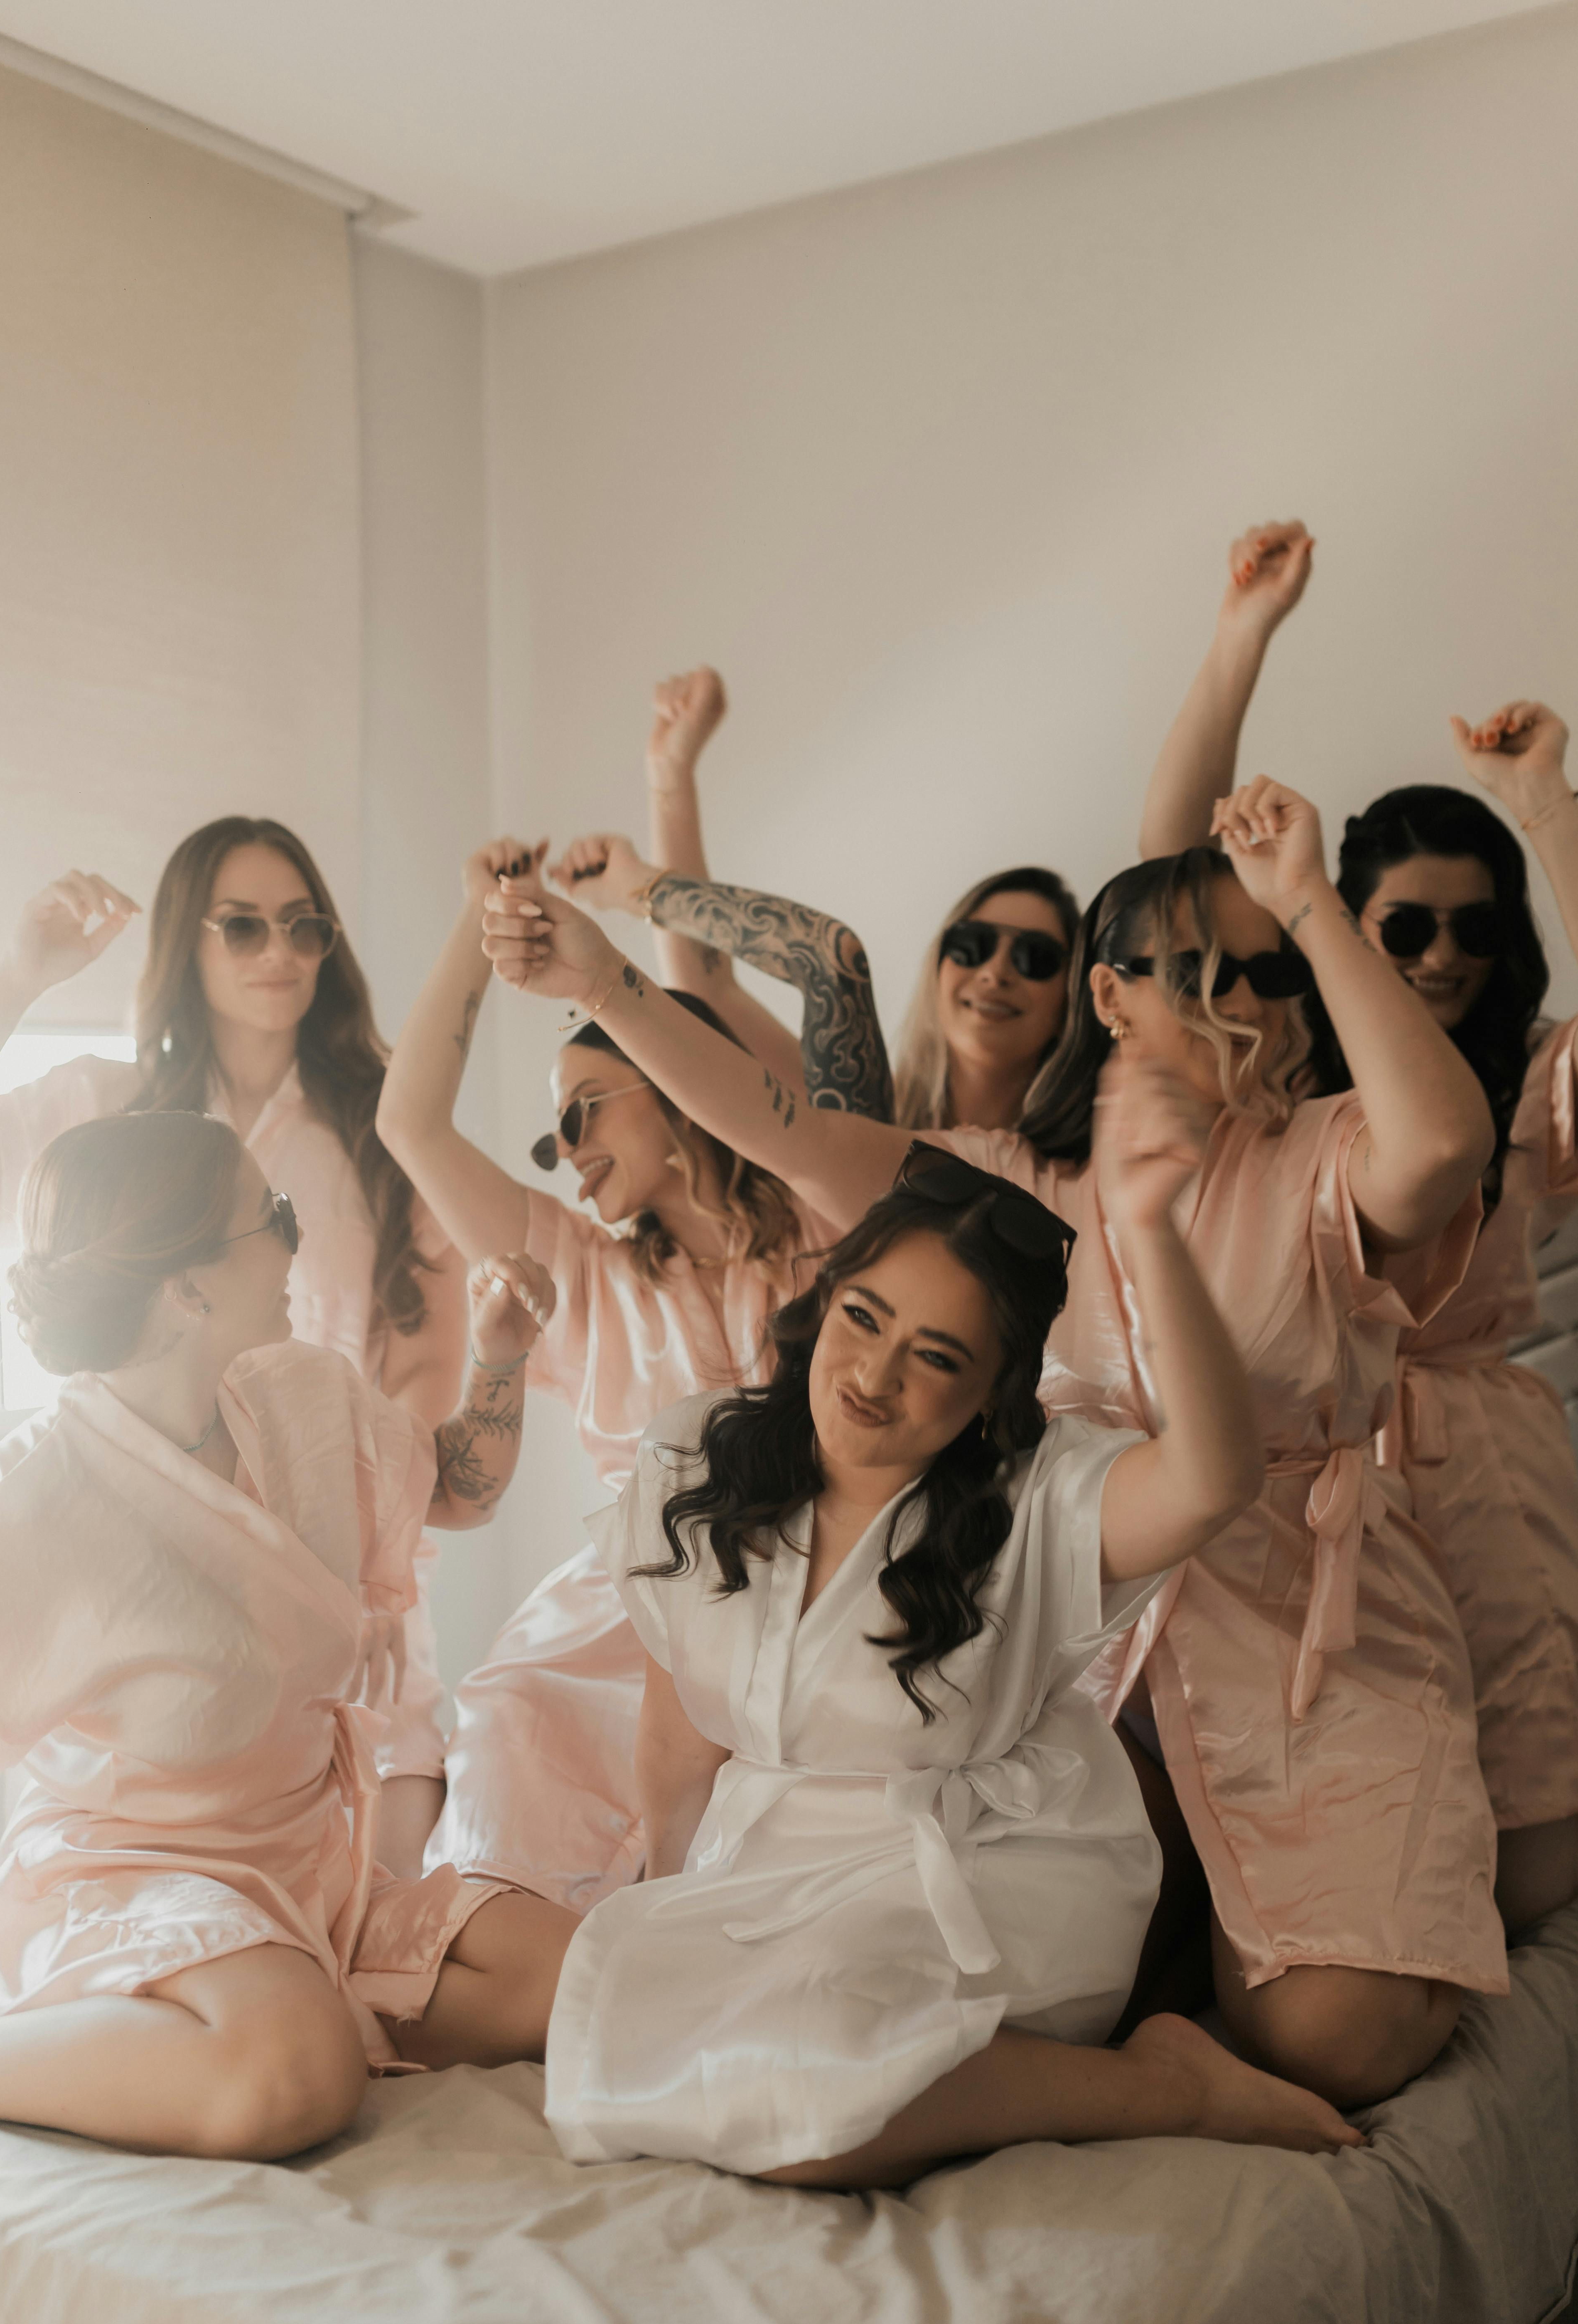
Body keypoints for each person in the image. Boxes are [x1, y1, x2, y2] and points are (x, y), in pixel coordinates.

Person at [482, 781, 1505, 2111]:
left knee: (1336, 2041)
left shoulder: (1326, 1153)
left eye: (1271, 969)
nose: (1238, 997)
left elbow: (1447, 1140)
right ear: (1113, 998)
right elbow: (784, 1129)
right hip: (1069, 1637)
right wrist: (608, 980)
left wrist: (1314, 899)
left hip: (1294, 1618)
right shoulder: (1011, 1181)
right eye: (1192, 970)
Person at [545, 1118, 1363, 2187]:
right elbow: (677, 1728)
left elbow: (1215, 1480)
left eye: (935, 1357)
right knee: (614, 2037)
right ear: (824, 1293)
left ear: (993, 1394)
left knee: (814, 2095)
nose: (871, 1377)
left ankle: (1171, 2085)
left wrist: (1151, 1236)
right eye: (862, 1316)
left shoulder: (1043, 1496)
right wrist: (667, 1899)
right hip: (780, 1861)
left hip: (991, 1868)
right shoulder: (697, 1459)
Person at [0, 1112, 575, 2159]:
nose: (298, 1243)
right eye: (276, 1217)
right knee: (297, 2074)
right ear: (189, 1287)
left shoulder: (305, 1394)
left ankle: (309, 1987)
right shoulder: (37, 1497)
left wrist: (499, 1357)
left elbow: (464, 1487)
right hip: (130, 1880)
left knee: (563, 1969)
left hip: (313, 1868)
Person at [1141, 523, 1578, 1927]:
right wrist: (1242, 634)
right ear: (1345, 925)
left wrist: (1540, 801)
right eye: (1406, 929)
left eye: (1477, 933)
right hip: (1294, 1475)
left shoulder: (1525, 1084)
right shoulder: (1282, 1082)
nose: (1446, 961)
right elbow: (1169, 870)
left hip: (1474, 1469)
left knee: (1539, 1868)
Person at [0, 819, 467, 1876]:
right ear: (187, 946)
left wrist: (381, 1575)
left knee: (382, 1902)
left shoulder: (383, 1133)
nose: (280, 953)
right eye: (242, 926)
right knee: (162, 1884)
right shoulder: (102, 1112)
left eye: (305, 925)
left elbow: (427, 1367)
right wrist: (14, 982)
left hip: (340, 1564)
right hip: (138, 1583)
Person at [375, 840, 867, 1914]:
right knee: (509, 1731)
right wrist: (478, 918)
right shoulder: (583, 1277)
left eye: (587, 1106)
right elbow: (408, 1124)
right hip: (621, 1621)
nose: (566, 1145)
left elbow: (764, 979)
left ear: (673, 1087)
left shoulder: (834, 1226)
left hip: (827, 1601)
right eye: (555, 1129)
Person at [598, 663, 1076, 1131]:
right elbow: (711, 994)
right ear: (938, 966)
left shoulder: (1076, 1174)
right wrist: (671, 773)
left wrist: (639, 888)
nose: (995, 973)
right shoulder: (856, 1110)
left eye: (1035, 957)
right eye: (972, 944)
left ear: (1071, 998)